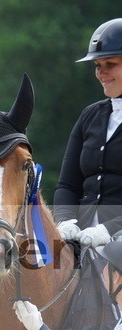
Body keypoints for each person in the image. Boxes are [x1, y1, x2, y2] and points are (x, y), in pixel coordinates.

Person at [56, 18, 122, 249]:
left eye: (110, 64)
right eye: (98, 66)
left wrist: (110, 229)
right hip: (83, 235)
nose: (101, 73)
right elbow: (67, 184)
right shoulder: (90, 116)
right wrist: (65, 220)